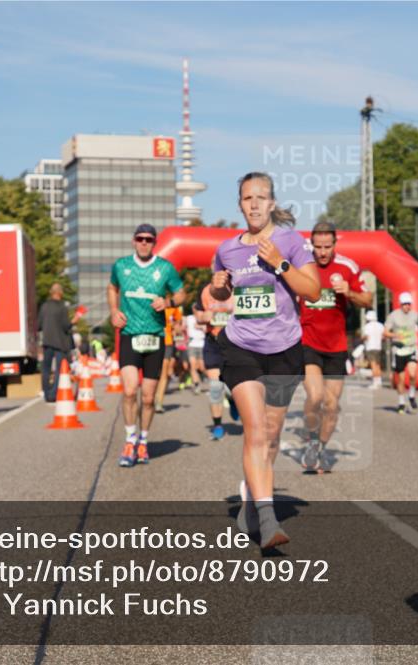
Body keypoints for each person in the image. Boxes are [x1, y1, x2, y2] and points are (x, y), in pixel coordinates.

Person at [211, 172, 319, 549]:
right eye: (246, 198)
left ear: (272, 203)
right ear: (239, 204)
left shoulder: (290, 241)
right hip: (241, 347)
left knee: (271, 438)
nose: (254, 204)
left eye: (260, 197)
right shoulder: (227, 249)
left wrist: (281, 264)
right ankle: (270, 521)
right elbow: (217, 288)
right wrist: (219, 288)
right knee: (255, 430)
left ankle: (250, 501)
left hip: (285, 349)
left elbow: (314, 289)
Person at [108, 223, 185, 468]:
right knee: (130, 391)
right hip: (130, 334)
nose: (144, 243)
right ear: (133, 241)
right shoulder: (121, 266)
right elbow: (112, 287)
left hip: (155, 337)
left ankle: (143, 440)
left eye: (149, 239)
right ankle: (129, 440)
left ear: (155, 243)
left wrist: (169, 301)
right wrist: (113, 310)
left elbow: (182, 293)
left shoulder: (165, 268)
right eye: (140, 239)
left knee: (149, 398)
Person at [299, 221, 372, 473]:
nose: (322, 252)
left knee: (331, 405)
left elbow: (368, 299)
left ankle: (320, 448)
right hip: (307, 341)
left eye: (327, 247)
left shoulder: (347, 267)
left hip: (336, 345)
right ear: (311, 244)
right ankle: (310, 439)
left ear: (335, 244)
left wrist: (349, 292)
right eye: (318, 246)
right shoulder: (302, 265)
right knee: (315, 396)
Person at [194, 282, 235, 440]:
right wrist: (204, 317)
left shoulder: (238, 284)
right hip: (214, 342)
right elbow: (198, 314)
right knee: (216, 387)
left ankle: (233, 400)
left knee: (234, 388)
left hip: (236, 343)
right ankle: (217, 425)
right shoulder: (205, 289)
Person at [38, 283, 83, 403]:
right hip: (60, 343)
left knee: (46, 369)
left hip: (47, 341)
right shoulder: (62, 307)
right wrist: (75, 319)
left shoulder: (44, 306)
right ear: (60, 293)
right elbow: (66, 326)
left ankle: (46, 393)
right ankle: (53, 394)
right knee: (60, 369)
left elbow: (39, 325)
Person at [383, 292, 418, 414]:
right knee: (401, 379)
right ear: (400, 304)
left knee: (412, 374)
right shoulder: (393, 316)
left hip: (412, 348)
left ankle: (412, 395)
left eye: (409, 304)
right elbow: (385, 333)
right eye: (405, 304)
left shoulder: (415, 315)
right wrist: (396, 335)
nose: (407, 306)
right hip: (399, 350)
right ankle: (401, 402)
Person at [154, 304, 183, 412]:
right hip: (153, 340)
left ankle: (159, 403)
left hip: (167, 342)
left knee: (164, 371)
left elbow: (178, 323)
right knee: (153, 371)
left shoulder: (173, 307)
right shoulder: (151, 302)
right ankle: (150, 398)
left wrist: (176, 327)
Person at [185, 310, 206, 393]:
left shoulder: (204, 317)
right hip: (192, 344)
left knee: (202, 367)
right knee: (193, 365)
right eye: (194, 309)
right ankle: (197, 385)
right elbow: (182, 325)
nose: (195, 311)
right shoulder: (189, 318)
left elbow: (207, 329)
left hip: (202, 344)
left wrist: (200, 326)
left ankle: (212, 379)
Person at [362, 310, 384, 389]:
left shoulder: (367, 326)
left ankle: (375, 382)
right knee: (378, 365)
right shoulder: (381, 325)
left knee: (373, 365)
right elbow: (383, 337)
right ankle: (379, 381)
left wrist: (362, 338)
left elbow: (366, 337)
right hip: (378, 347)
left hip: (370, 347)